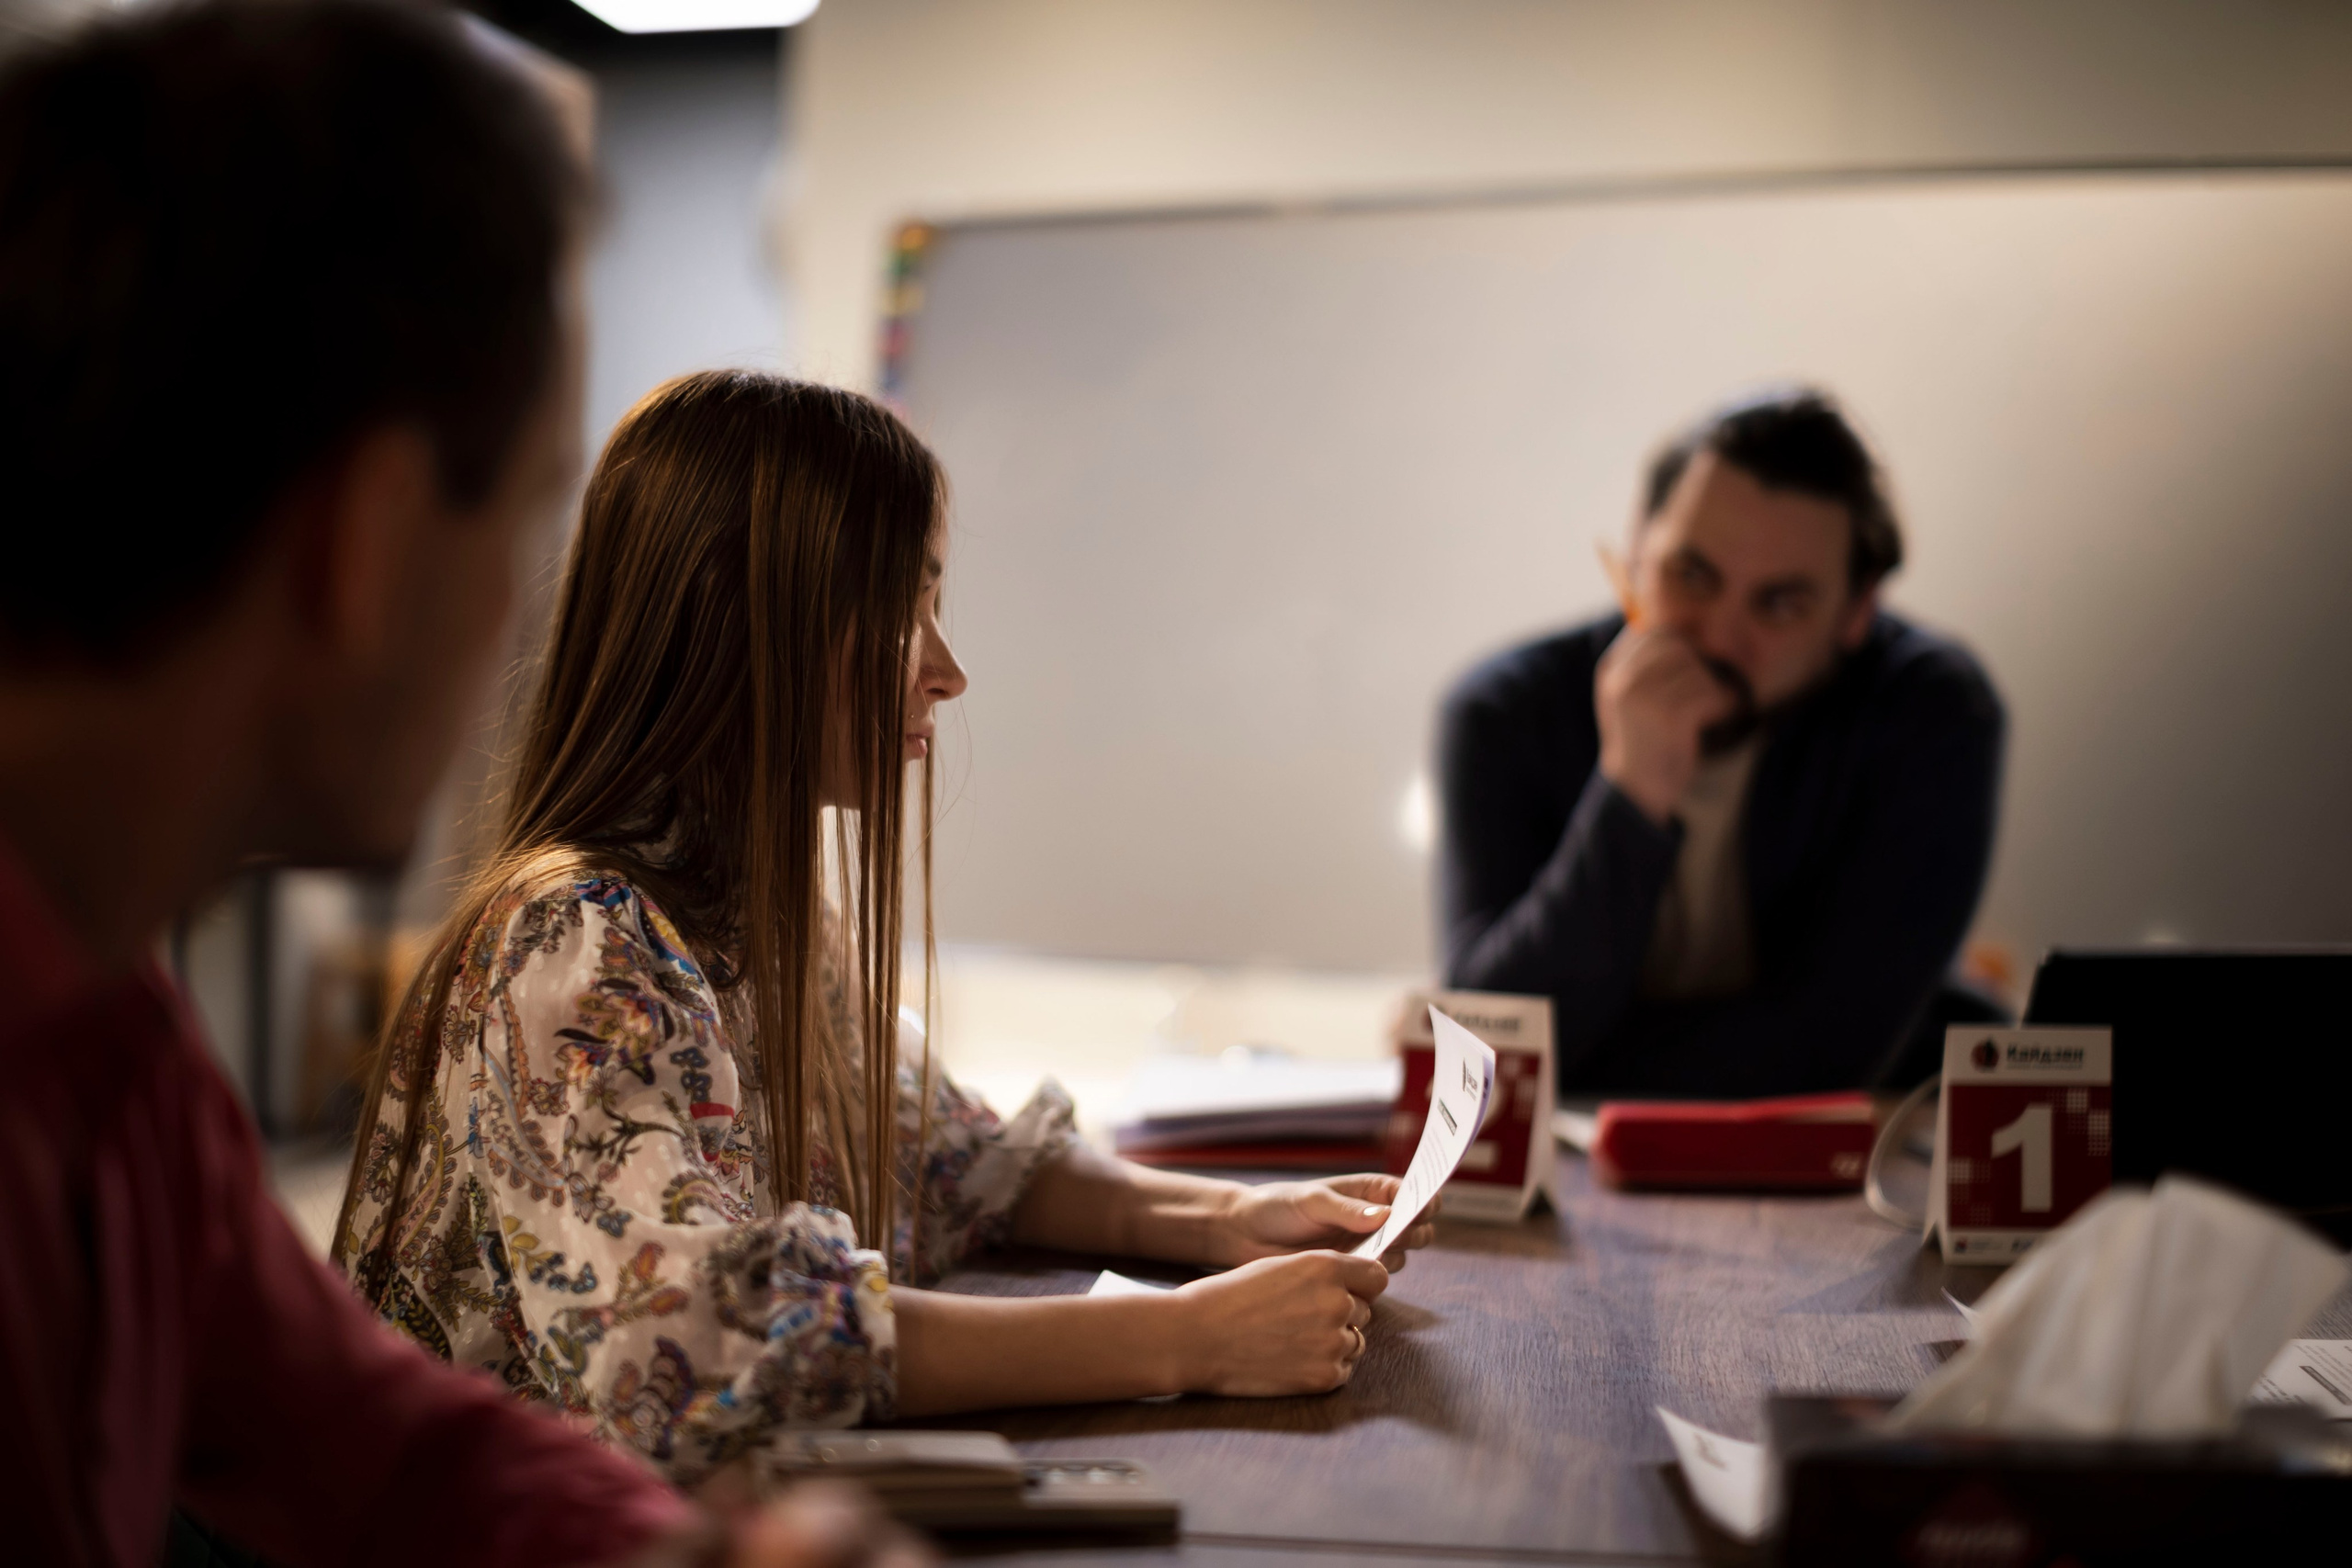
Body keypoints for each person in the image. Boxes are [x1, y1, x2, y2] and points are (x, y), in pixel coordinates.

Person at [0, 6, 921, 1565]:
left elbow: (367, 1434)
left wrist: (694, 1552)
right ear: (360, 546)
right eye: (519, 524)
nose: (518, 612)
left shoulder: (118, 1044)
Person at [333, 368, 1432, 1483]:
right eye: (902, 609)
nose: (947, 672)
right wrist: (1189, 1337)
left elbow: (946, 1160)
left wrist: (1235, 1221)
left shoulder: (761, 910)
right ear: (741, 620)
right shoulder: (575, 939)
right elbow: (684, 1348)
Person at [1438, 389, 2005, 1097]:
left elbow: (1825, 1053)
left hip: (1852, 1161)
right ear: (1637, 547)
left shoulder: (1929, 712)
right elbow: (1488, 1047)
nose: (1718, 636)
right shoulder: (1505, 711)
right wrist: (1632, 791)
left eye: (1780, 604)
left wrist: (1572, 1058)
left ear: (1858, 611)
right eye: (1692, 575)